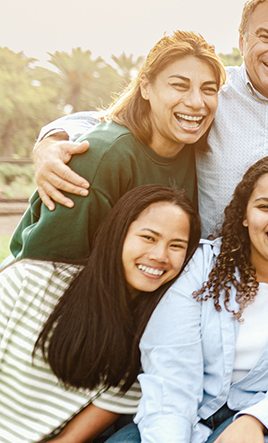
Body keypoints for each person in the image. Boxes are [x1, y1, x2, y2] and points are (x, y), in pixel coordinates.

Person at [31, 0, 268, 237]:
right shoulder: (209, 92)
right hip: (204, 272)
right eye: (266, 36)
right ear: (243, 41)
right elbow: (114, 119)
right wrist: (51, 141)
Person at [108, 155, 268, 443]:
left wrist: (256, 420)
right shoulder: (201, 267)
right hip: (190, 411)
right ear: (245, 215)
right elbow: (171, 368)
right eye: (266, 206)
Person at [0, 185, 201, 442]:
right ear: (117, 234)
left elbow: (68, 441)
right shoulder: (28, 281)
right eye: (149, 238)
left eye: (176, 245)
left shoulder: (152, 341)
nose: (160, 256)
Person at [7, 30, 222, 264]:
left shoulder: (200, 150)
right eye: (179, 85)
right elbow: (46, 266)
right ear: (145, 87)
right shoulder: (104, 155)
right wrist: (48, 141)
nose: (196, 102)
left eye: (208, 89)